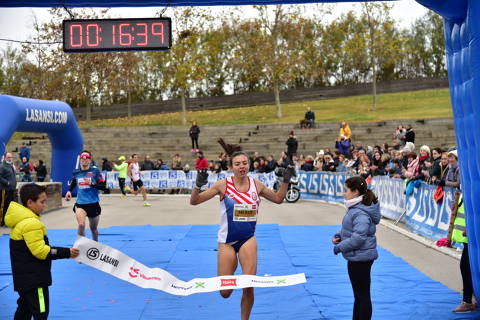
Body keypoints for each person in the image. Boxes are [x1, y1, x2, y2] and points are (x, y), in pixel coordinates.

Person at [190, 151, 295, 320]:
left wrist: (286, 180)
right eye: (237, 164)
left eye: (244, 163)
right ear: (231, 167)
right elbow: (194, 201)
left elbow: (278, 199)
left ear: (249, 165)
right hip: (227, 243)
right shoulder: (222, 185)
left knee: (249, 285)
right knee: (225, 292)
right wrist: (197, 186)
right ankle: (231, 266)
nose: (242, 166)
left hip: (248, 239)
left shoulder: (257, 185)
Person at [5, 183, 79, 320]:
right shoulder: (31, 223)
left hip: (24, 278)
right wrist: (67, 252)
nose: (44, 205)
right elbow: (40, 251)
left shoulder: (21, 220)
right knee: (41, 313)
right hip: (35, 280)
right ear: (30, 202)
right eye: (42, 202)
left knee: (24, 310)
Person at [332, 176, 380, 320]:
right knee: (359, 295)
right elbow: (352, 230)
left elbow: (359, 237)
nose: (343, 193)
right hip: (358, 256)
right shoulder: (357, 208)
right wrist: (339, 235)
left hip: (361, 258)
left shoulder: (360, 212)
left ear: (355, 192)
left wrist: (339, 247)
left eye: (346, 190)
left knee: (362, 296)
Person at [65, 151, 107, 241]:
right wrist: (69, 191)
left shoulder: (95, 171)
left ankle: (95, 244)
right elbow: (74, 182)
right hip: (81, 204)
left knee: (94, 229)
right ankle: (82, 244)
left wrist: (91, 184)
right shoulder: (76, 172)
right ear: (80, 160)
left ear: (90, 160)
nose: (84, 159)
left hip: (93, 204)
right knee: (81, 224)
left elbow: (104, 187)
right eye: (82, 158)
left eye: (86, 157)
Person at [451, 194, 476, 313]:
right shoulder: (465, 188)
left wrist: (470, 226)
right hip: (468, 237)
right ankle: (469, 299)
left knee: (466, 267)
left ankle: (467, 301)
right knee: (467, 267)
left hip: (472, 235)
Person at [0, 152, 16, 227]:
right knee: (3, 205)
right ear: (5, 157)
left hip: (11, 189)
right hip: (5, 189)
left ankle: (7, 221)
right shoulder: (2, 166)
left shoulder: (10, 165)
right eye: (8, 157)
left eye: (11, 157)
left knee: (10, 206)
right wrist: (7, 182)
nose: (10, 159)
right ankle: (1, 222)